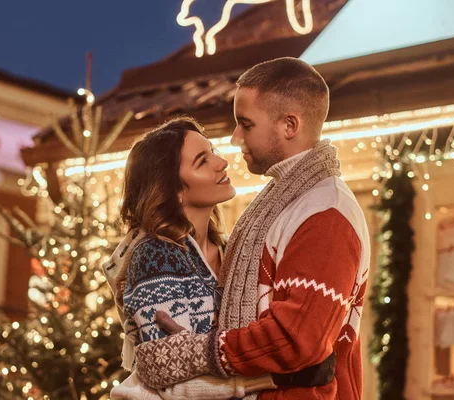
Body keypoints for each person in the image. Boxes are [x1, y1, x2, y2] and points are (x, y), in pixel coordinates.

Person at [134, 58, 371, 400]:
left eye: (246, 124)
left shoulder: (325, 213)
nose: (235, 139)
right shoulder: (281, 205)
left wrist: (200, 352)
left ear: (290, 125)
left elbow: (297, 337)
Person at [103, 116, 336, 399]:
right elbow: (169, 385)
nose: (221, 162)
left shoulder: (231, 250)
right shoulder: (157, 258)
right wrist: (274, 378)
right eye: (202, 161)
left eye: (212, 151)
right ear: (174, 191)